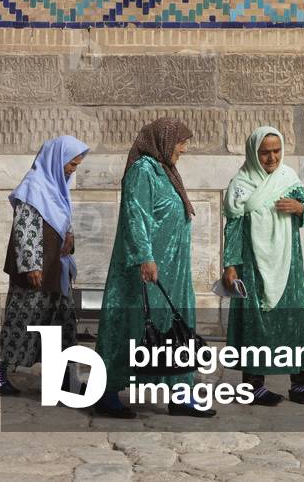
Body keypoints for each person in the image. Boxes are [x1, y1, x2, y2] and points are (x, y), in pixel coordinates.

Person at [94, 117, 211, 418]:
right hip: (146, 271)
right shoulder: (143, 170)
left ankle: (180, 393)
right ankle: (106, 393)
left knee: (175, 331)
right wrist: (145, 256)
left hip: (173, 269)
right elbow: (136, 214)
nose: (184, 148)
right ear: (163, 139)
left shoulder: (165, 171)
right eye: (180, 142)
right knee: (131, 328)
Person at [0, 135, 89, 396]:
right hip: (37, 271)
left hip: (56, 268)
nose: (71, 171)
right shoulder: (33, 188)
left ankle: (63, 378)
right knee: (24, 319)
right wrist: (31, 265)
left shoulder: (57, 188)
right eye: (70, 165)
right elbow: (24, 230)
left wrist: (70, 235)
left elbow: (62, 217)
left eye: (75, 166)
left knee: (60, 323)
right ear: (57, 159)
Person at [221, 127, 304, 406]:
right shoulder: (241, 184)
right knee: (257, 321)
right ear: (254, 153)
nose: (272, 157)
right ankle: (254, 387)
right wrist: (230, 264)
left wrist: (300, 209)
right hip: (253, 262)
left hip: (288, 261)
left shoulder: (288, 178)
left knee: (295, 319)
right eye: (265, 152)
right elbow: (233, 226)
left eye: (276, 151)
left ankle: (299, 385)